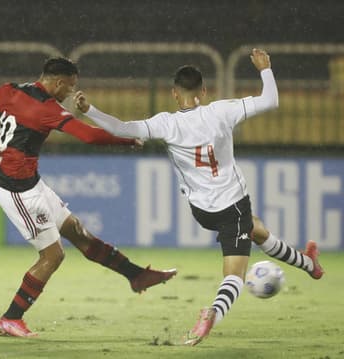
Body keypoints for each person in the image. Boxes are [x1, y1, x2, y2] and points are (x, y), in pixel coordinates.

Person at [73, 48, 324, 346]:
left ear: (175, 95)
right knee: (235, 276)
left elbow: (121, 128)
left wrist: (90, 110)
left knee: (256, 229)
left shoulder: (165, 123)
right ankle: (212, 314)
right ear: (203, 91)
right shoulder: (221, 111)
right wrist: (265, 69)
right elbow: (271, 100)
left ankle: (309, 264)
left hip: (202, 210)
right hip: (232, 204)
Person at [0, 57, 177, 338]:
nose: (71, 93)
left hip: (33, 185)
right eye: (70, 87)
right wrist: (127, 140)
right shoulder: (46, 109)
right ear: (58, 83)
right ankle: (10, 318)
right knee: (53, 255)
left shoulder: (11, 91)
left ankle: (135, 275)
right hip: (18, 192)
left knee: (78, 232)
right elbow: (90, 137)